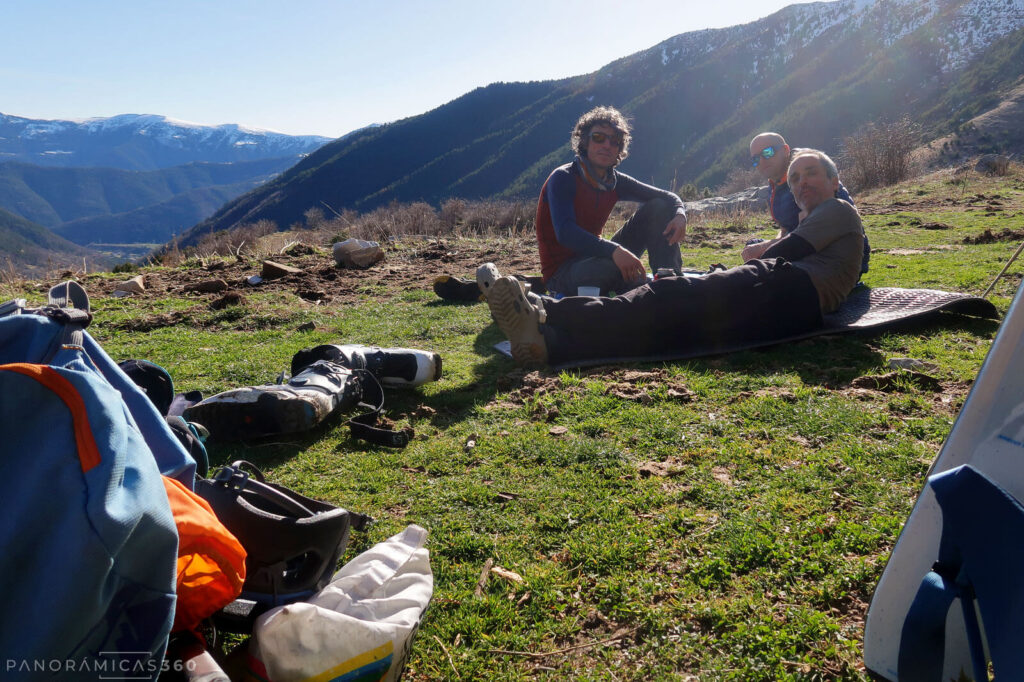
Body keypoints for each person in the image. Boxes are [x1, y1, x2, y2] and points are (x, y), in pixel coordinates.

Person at [482, 150, 864, 366]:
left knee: (668, 297)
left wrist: (734, 268)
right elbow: (788, 246)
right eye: (794, 179)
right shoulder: (816, 221)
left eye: (810, 174)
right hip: (791, 301)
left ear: (834, 181)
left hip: (788, 286)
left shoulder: (838, 210)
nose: (801, 183)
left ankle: (544, 310)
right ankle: (551, 343)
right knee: (669, 326)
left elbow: (786, 253)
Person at [535, 106, 688, 297]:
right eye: (599, 137)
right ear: (585, 141)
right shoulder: (563, 177)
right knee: (610, 269)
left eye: (614, 141)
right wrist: (615, 251)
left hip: (598, 256)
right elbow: (566, 233)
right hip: (563, 273)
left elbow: (667, 197)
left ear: (619, 150)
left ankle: (669, 280)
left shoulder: (614, 181)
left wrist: (680, 214)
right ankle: (644, 285)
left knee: (659, 206)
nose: (607, 145)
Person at [743, 132, 870, 273]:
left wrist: (765, 248)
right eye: (755, 159)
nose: (761, 161)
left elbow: (813, 232)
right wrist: (766, 246)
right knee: (752, 247)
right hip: (807, 245)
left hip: (836, 261)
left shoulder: (807, 180)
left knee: (758, 260)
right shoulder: (776, 183)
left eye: (768, 152)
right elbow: (786, 228)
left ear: (785, 150)